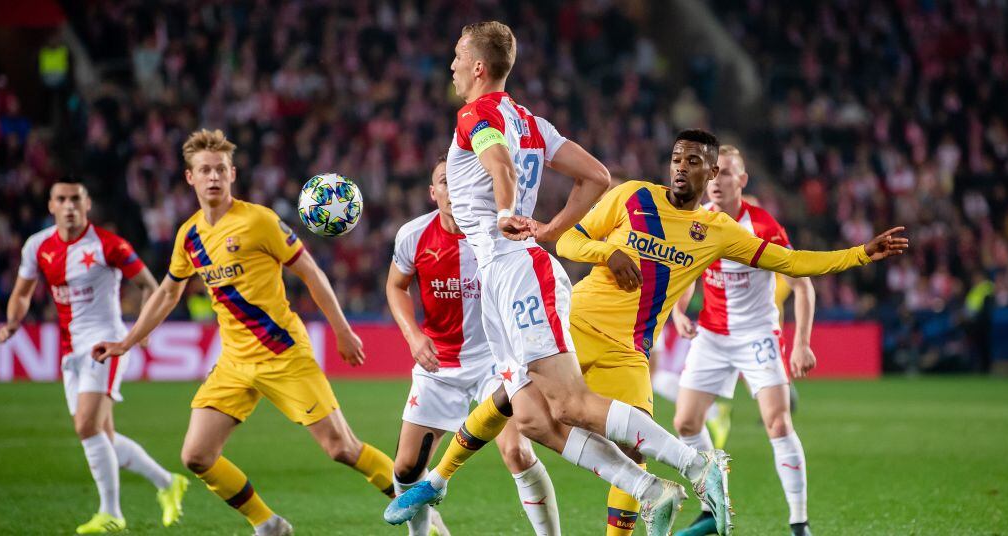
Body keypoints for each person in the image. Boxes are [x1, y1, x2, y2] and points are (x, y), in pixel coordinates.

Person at [386, 21, 735, 536]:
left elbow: (499, 163)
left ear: (480, 67)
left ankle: (695, 464)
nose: (453, 64)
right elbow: (595, 176)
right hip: (505, 275)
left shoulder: (474, 115)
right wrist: (549, 228)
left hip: (518, 272)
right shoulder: (531, 122)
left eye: (459, 55)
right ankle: (650, 490)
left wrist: (509, 212)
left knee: (571, 403)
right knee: (531, 419)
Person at [553, 129, 907, 536]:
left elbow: (791, 264)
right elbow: (571, 240)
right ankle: (456, 469)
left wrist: (860, 253)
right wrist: (609, 254)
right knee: (533, 414)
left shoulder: (722, 231)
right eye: (676, 159)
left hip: (673, 343)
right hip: (608, 326)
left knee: (641, 449)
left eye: (693, 161)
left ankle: (794, 520)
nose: (682, 168)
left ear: (717, 172)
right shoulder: (633, 195)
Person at [92, 129, 395, 536]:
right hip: (234, 363)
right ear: (190, 178)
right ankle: (267, 524)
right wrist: (125, 342)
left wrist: (342, 330)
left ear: (232, 174)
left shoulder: (259, 221)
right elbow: (167, 293)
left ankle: (425, 511)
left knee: (342, 447)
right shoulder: (189, 236)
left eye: (220, 169)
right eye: (204, 170)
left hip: (283, 353)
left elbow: (311, 272)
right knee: (197, 456)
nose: (213, 177)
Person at [0, 177, 188, 534]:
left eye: (76, 199)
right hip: (70, 351)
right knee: (103, 435)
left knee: (86, 425)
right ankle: (167, 483)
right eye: (61, 199)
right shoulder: (36, 246)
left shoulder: (109, 245)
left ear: (87, 206)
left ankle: (111, 512)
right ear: (51, 206)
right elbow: (23, 292)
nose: (69, 205)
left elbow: (150, 284)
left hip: (106, 344)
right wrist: (12, 322)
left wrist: (141, 332)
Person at [387, 157, 560, 535]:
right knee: (405, 468)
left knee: (518, 452)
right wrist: (414, 336)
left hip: (496, 364)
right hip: (439, 367)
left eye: (457, 181)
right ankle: (425, 531)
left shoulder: (498, 234)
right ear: (434, 194)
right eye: (443, 182)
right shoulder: (413, 236)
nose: (451, 189)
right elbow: (396, 286)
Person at [671, 145, 818, 536]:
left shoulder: (765, 228)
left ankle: (799, 522)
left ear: (742, 181)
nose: (716, 182)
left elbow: (802, 286)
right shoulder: (697, 222)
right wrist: (679, 311)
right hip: (712, 336)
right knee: (685, 422)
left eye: (726, 174)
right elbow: (685, 273)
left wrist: (801, 342)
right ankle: (712, 507)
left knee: (777, 423)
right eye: (712, 173)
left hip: (756, 335)